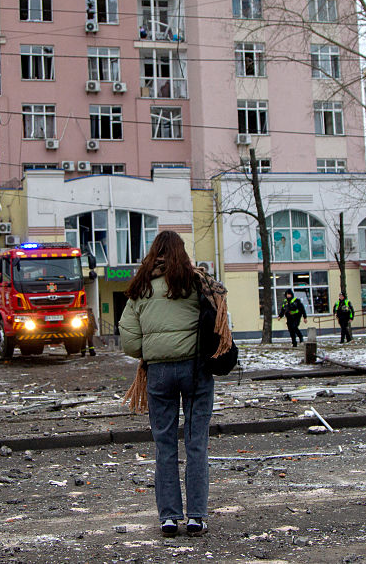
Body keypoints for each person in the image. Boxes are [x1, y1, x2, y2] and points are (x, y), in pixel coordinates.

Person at [119, 231, 232, 538]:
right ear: (182, 253)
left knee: (165, 446)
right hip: (196, 370)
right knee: (197, 444)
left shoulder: (141, 287)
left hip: (158, 374)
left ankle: (169, 518)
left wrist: (153, 350)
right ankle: (196, 517)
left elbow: (128, 339)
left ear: (154, 252)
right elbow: (219, 320)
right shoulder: (197, 283)